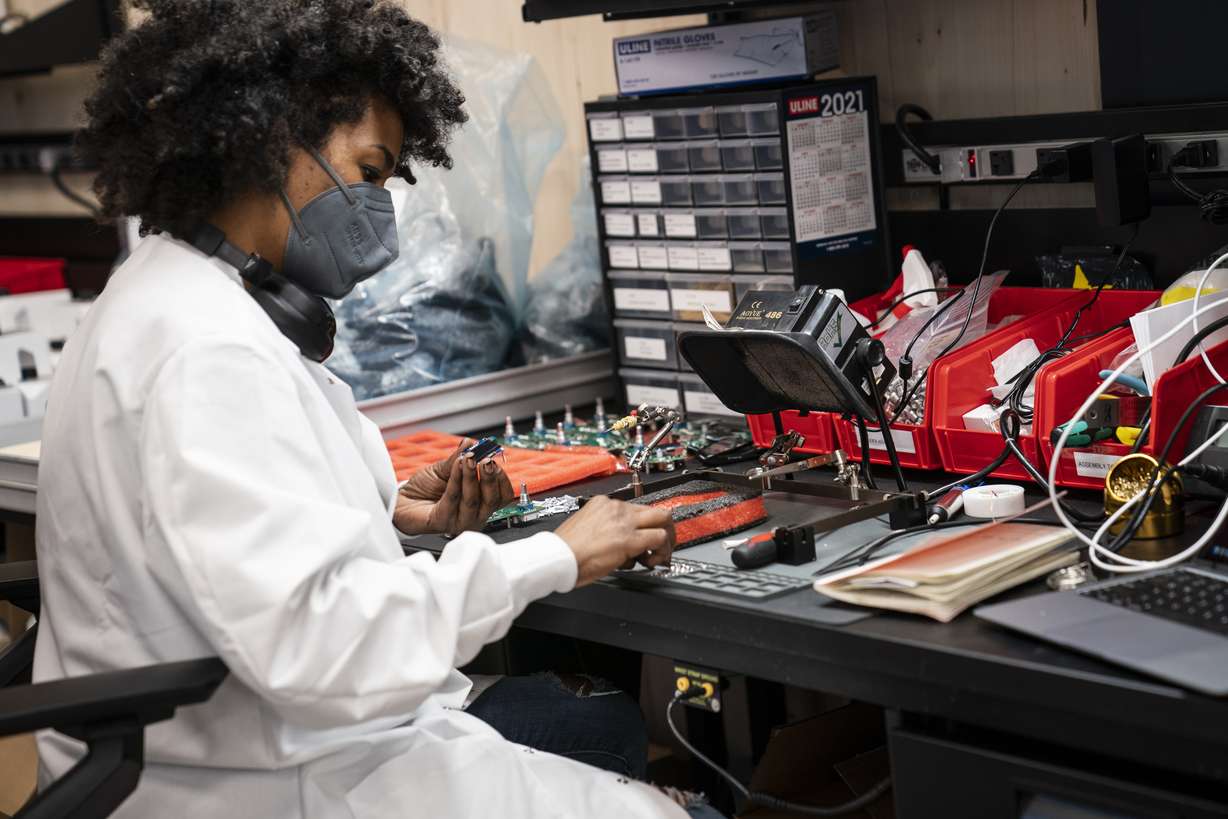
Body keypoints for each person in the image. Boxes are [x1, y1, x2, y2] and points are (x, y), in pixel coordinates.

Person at [33, 2, 721, 816]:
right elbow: (326, 648)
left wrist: (385, 509)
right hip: (262, 782)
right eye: (368, 172)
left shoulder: (160, 292)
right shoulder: (209, 350)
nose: (378, 212)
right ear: (269, 137)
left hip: (233, 744)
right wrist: (556, 555)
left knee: (594, 727)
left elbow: (223, 530)